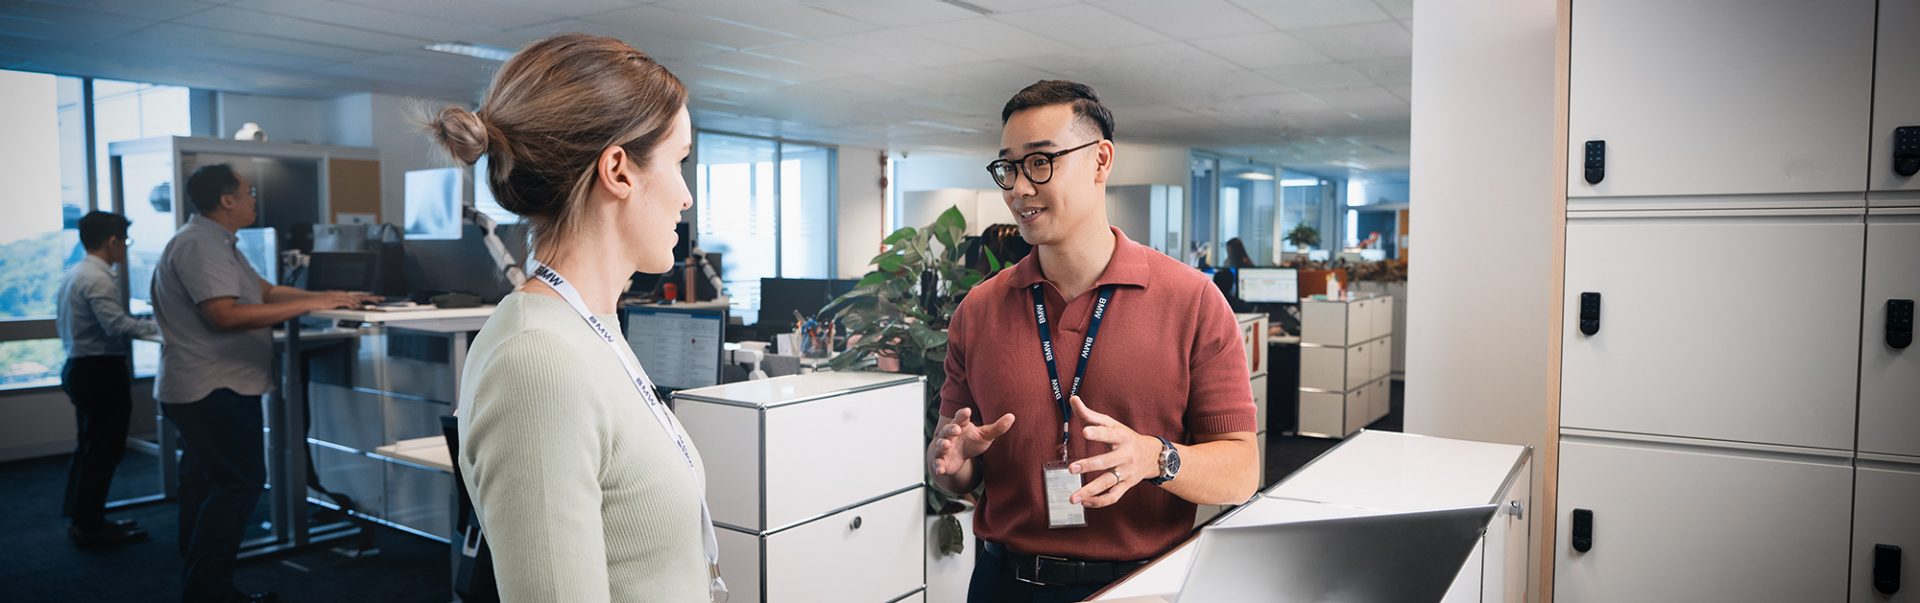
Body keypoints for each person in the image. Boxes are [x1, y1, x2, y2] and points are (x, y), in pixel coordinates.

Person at [933, 80, 1260, 603]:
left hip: (1141, 586)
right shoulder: (978, 311)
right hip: (1003, 583)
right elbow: (961, 472)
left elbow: (1242, 472)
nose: (1018, 188)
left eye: (1040, 162)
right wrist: (953, 464)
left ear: (1100, 160)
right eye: (1008, 168)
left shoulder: (1192, 300)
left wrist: (1156, 458)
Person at [431, 34, 717, 602]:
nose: (686, 197)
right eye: (679, 162)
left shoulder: (588, 328)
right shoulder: (537, 359)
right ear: (618, 169)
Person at [153, 164, 370, 603]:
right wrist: (310, 305)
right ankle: (209, 591)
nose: (254, 198)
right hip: (214, 388)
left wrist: (323, 298)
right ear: (227, 200)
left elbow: (265, 292)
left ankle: (200, 580)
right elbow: (225, 314)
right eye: (247, 191)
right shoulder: (201, 245)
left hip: (208, 385)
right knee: (237, 485)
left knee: (206, 483)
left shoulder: (216, 242)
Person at [56, 211, 158, 548]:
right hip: (98, 370)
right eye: (124, 242)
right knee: (104, 450)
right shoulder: (98, 278)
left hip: (82, 367)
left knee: (90, 447)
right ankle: (90, 527)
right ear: (112, 241)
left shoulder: (76, 272)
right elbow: (116, 326)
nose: (125, 249)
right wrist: (161, 326)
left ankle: (85, 519)